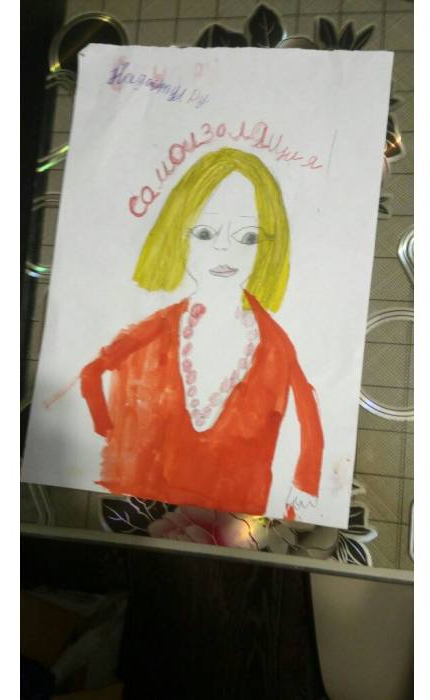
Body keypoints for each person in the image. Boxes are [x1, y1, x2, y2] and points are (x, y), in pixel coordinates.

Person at [81, 147, 323, 518]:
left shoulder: (274, 344)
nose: (224, 248)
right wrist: (103, 430)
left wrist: (306, 480)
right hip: (136, 503)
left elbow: (308, 414)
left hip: (236, 517)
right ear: (178, 234)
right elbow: (92, 372)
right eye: (206, 233)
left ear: (269, 247)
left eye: (249, 237)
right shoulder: (153, 329)